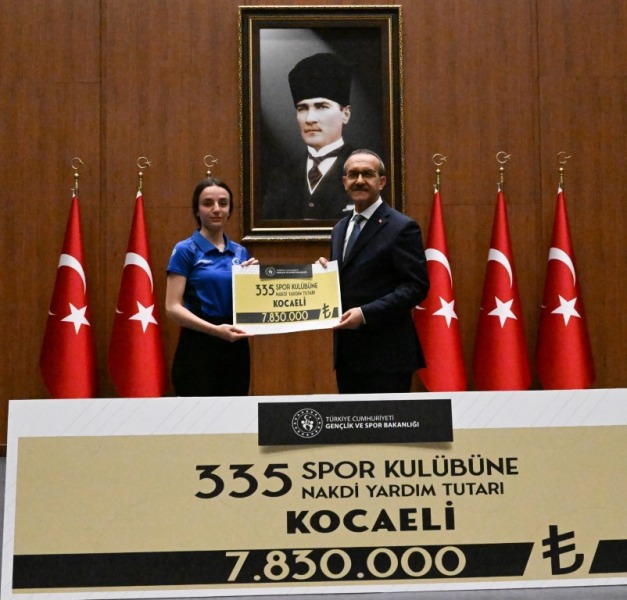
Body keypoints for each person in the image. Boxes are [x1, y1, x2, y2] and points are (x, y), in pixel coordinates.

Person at [318, 150, 430, 394]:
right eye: (353, 175)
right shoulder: (340, 228)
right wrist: (324, 277)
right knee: (351, 420)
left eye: (367, 174)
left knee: (387, 420)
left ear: (382, 181)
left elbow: (416, 287)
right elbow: (351, 278)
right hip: (348, 354)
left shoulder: (402, 227)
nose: (359, 180)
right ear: (344, 181)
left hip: (387, 357)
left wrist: (365, 313)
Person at [165, 178, 258, 396]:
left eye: (223, 203)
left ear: (229, 210)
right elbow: (172, 307)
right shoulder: (185, 250)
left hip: (235, 345)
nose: (216, 209)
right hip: (198, 344)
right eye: (208, 203)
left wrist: (255, 279)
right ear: (197, 211)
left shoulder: (241, 252)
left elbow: (251, 305)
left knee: (234, 413)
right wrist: (215, 331)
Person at [262, 53, 356, 221]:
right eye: (302, 108)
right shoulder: (282, 176)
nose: (310, 118)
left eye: (322, 107)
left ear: (345, 114)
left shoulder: (366, 168)